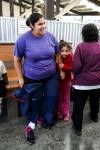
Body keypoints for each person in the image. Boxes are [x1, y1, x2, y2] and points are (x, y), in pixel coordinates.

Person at [13, 13, 59, 144]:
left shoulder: (50, 36)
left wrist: (59, 67)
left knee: (52, 99)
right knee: (35, 102)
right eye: (40, 24)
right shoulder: (23, 39)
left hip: (51, 75)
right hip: (33, 78)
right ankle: (32, 124)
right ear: (31, 25)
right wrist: (20, 78)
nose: (43, 26)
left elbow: (57, 52)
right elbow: (16, 59)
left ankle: (47, 117)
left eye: (44, 23)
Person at [71, 23, 100, 135]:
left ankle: (78, 128)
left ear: (84, 34)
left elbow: (76, 66)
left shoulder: (81, 47)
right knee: (95, 99)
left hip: (84, 83)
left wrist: (74, 74)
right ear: (96, 33)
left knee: (79, 105)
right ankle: (94, 116)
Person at [56, 41, 72, 121]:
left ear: (69, 51)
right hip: (59, 82)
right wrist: (59, 68)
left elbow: (71, 69)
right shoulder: (58, 58)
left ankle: (66, 113)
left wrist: (63, 67)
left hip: (67, 82)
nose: (64, 53)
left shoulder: (70, 58)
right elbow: (56, 67)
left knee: (66, 98)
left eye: (66, 51)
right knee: (59, 98)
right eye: (62, 51)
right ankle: (59, 111)